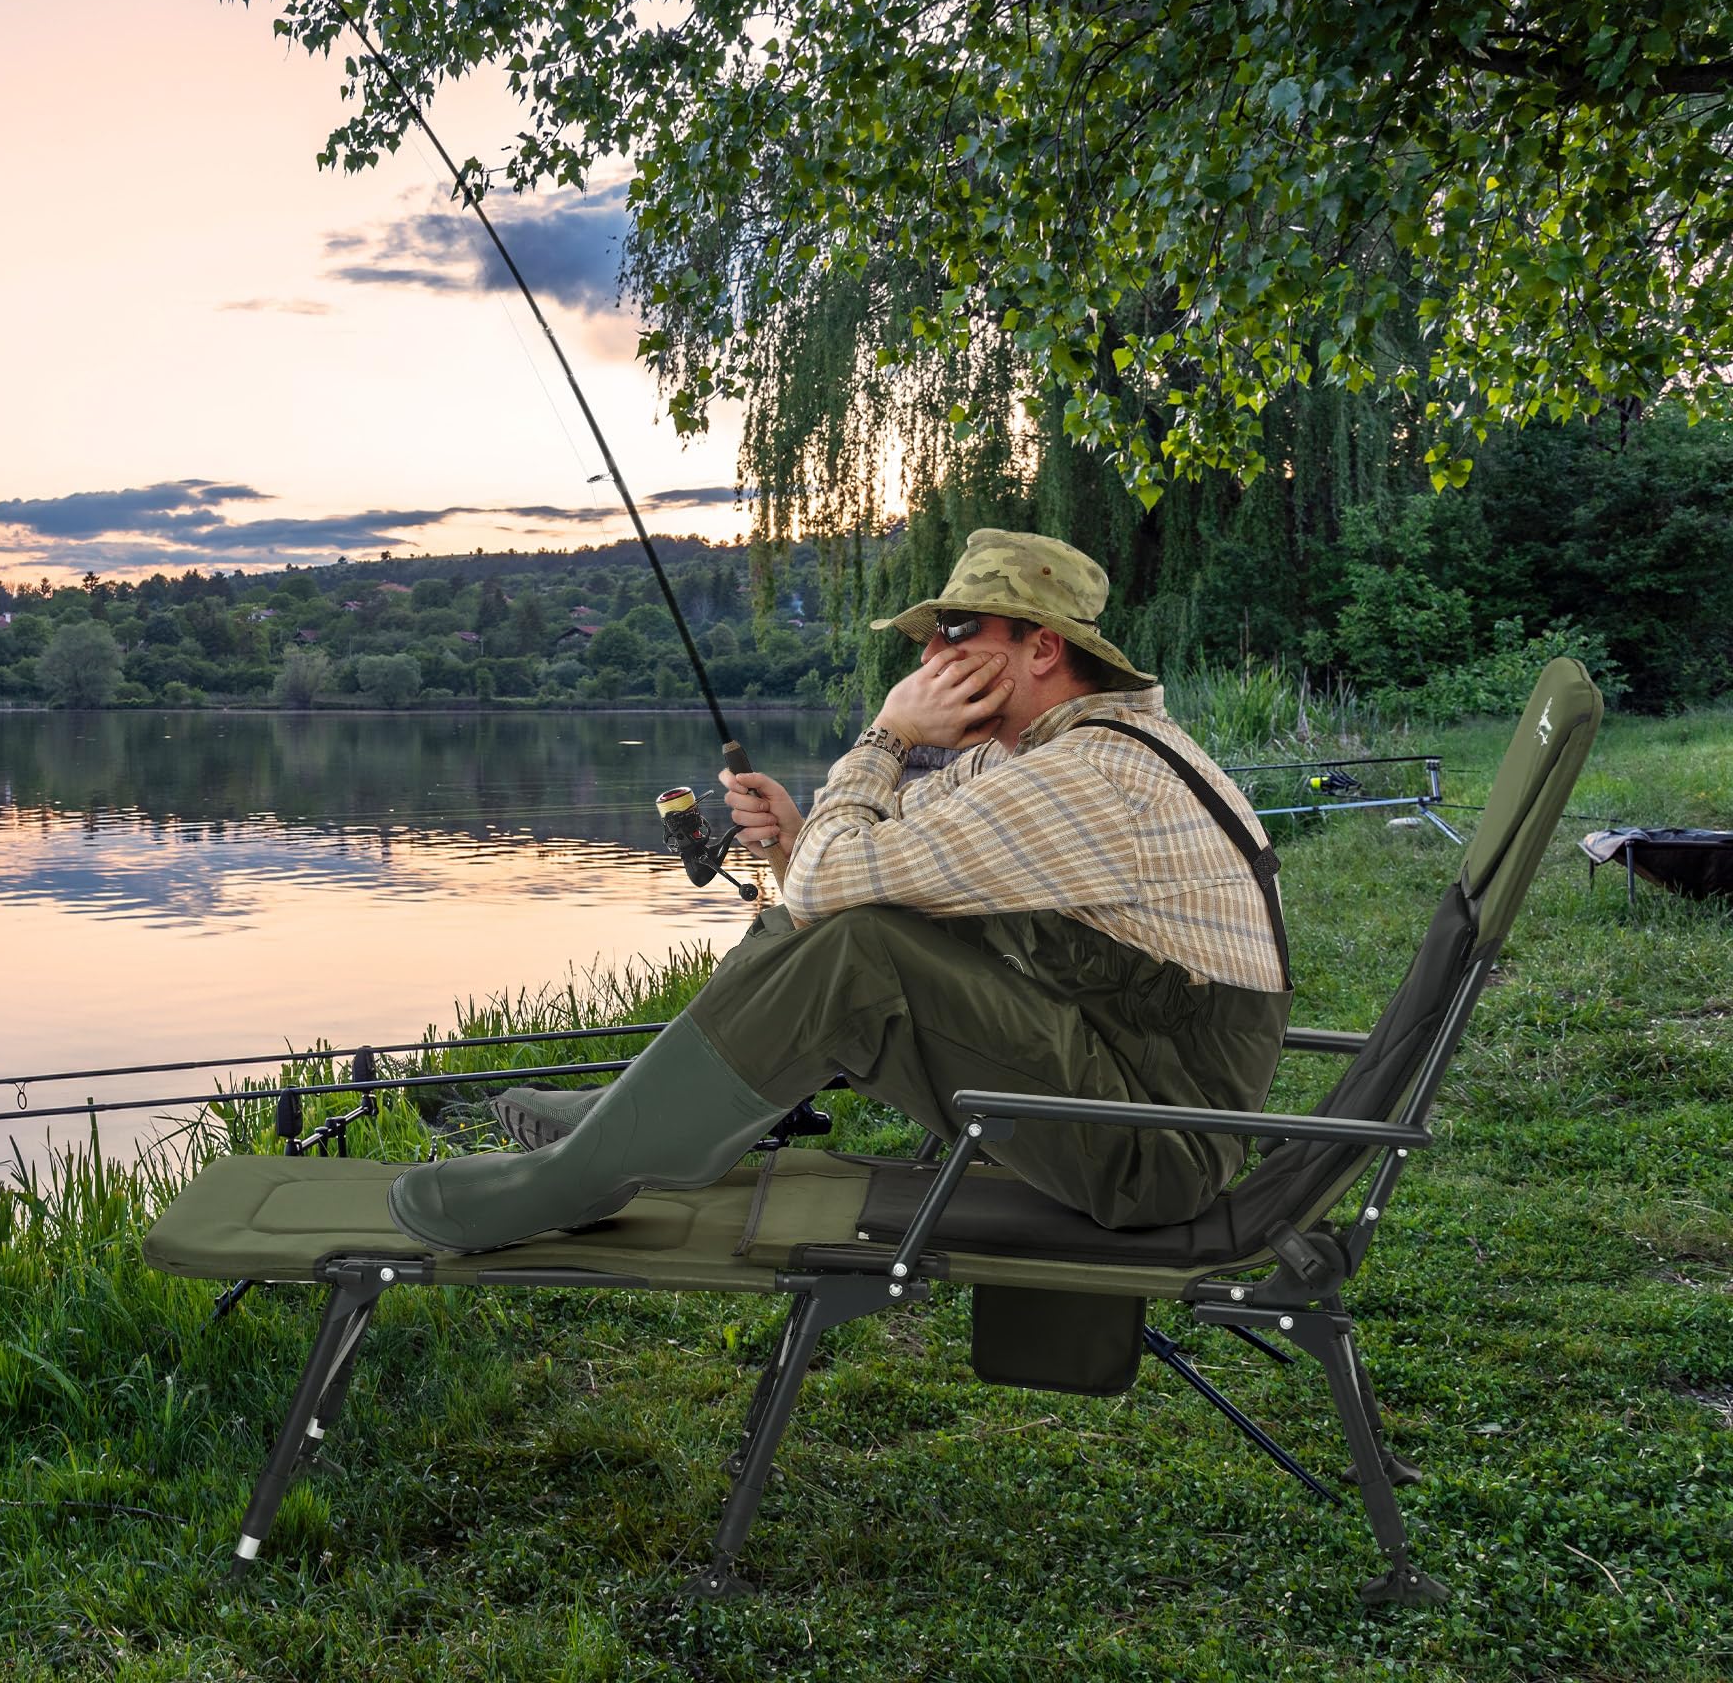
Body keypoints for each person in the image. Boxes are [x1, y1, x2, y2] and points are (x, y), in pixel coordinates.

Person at [388, 529, 1293, 1253]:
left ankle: (583, 1175)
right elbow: (845, 872)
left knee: (864, 951)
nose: (930, 658)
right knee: (858, 922)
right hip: (1113, 1089)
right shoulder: (1036, 757)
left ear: (1042, 648)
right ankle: (624, 1119)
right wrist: (793, 836)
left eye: (955, 633)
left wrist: (888, 732)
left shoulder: (1089, 776)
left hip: (1153, 1147)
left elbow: (837, 887)